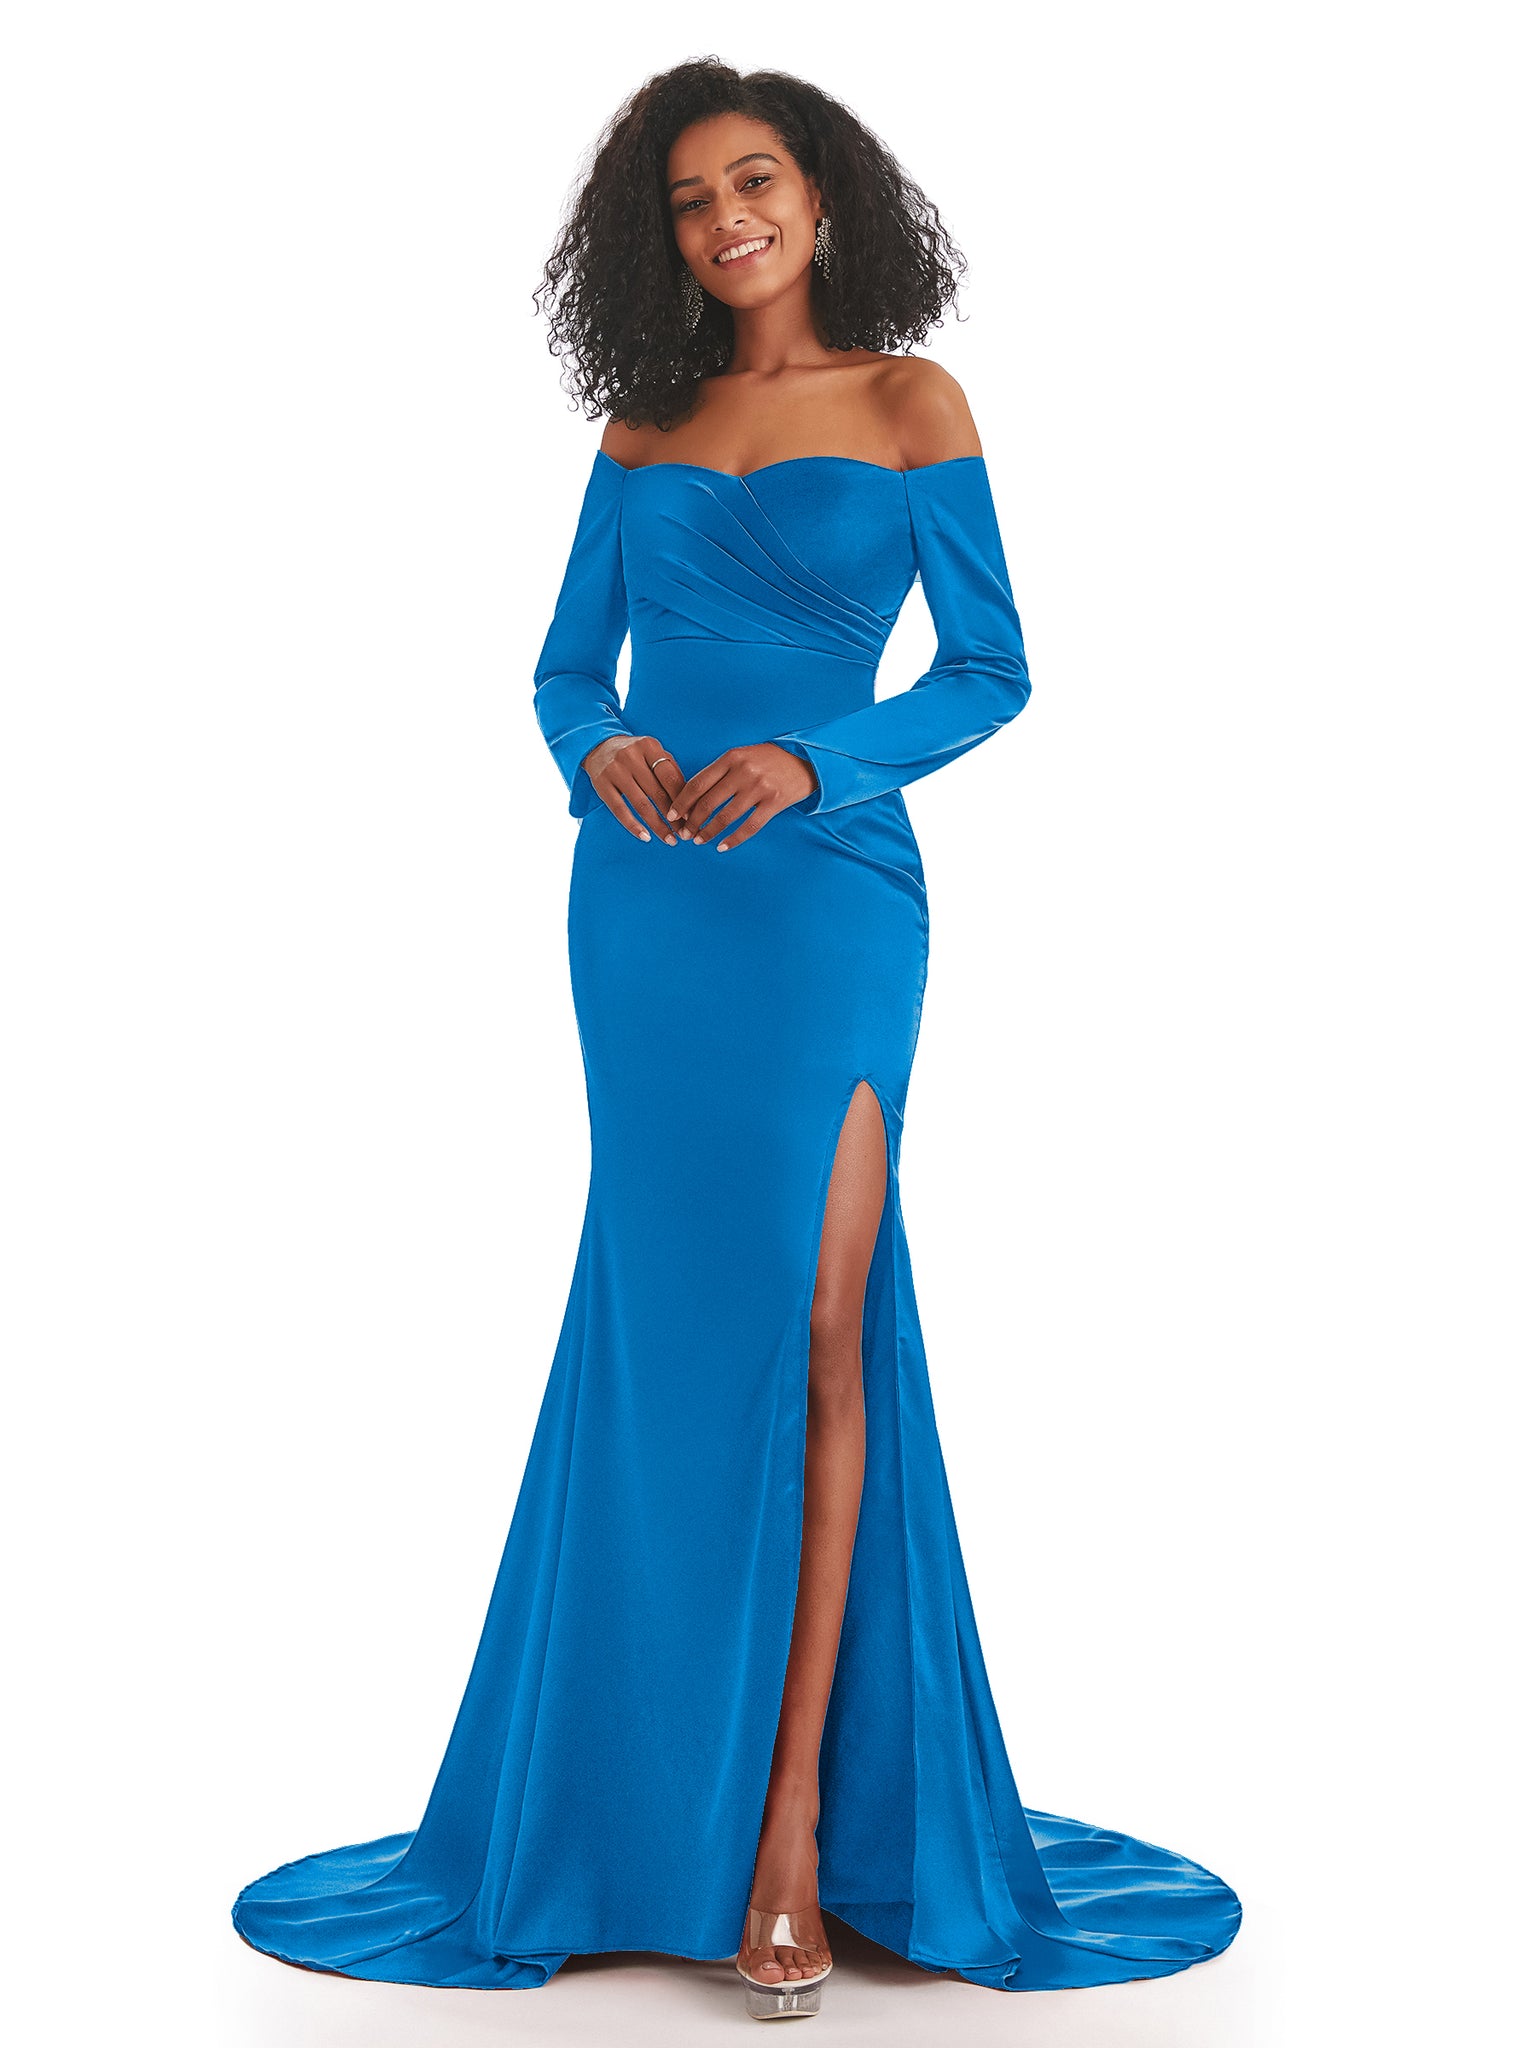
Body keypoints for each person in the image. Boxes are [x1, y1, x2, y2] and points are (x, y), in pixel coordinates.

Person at [232, 58, 1242, 2020]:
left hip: (830, 904)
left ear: (825, 194)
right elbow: (562, 666)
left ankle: (790, 1832)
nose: (728, 221)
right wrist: (590, 747)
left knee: (827, 1328)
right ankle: (639, 1813)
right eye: (690, 200)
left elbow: (993, 666)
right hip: (647, 916)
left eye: (754, 180)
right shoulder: (643, 424)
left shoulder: (912, 403)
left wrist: (819, 757)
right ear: (661, 238)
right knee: (667, 1338)